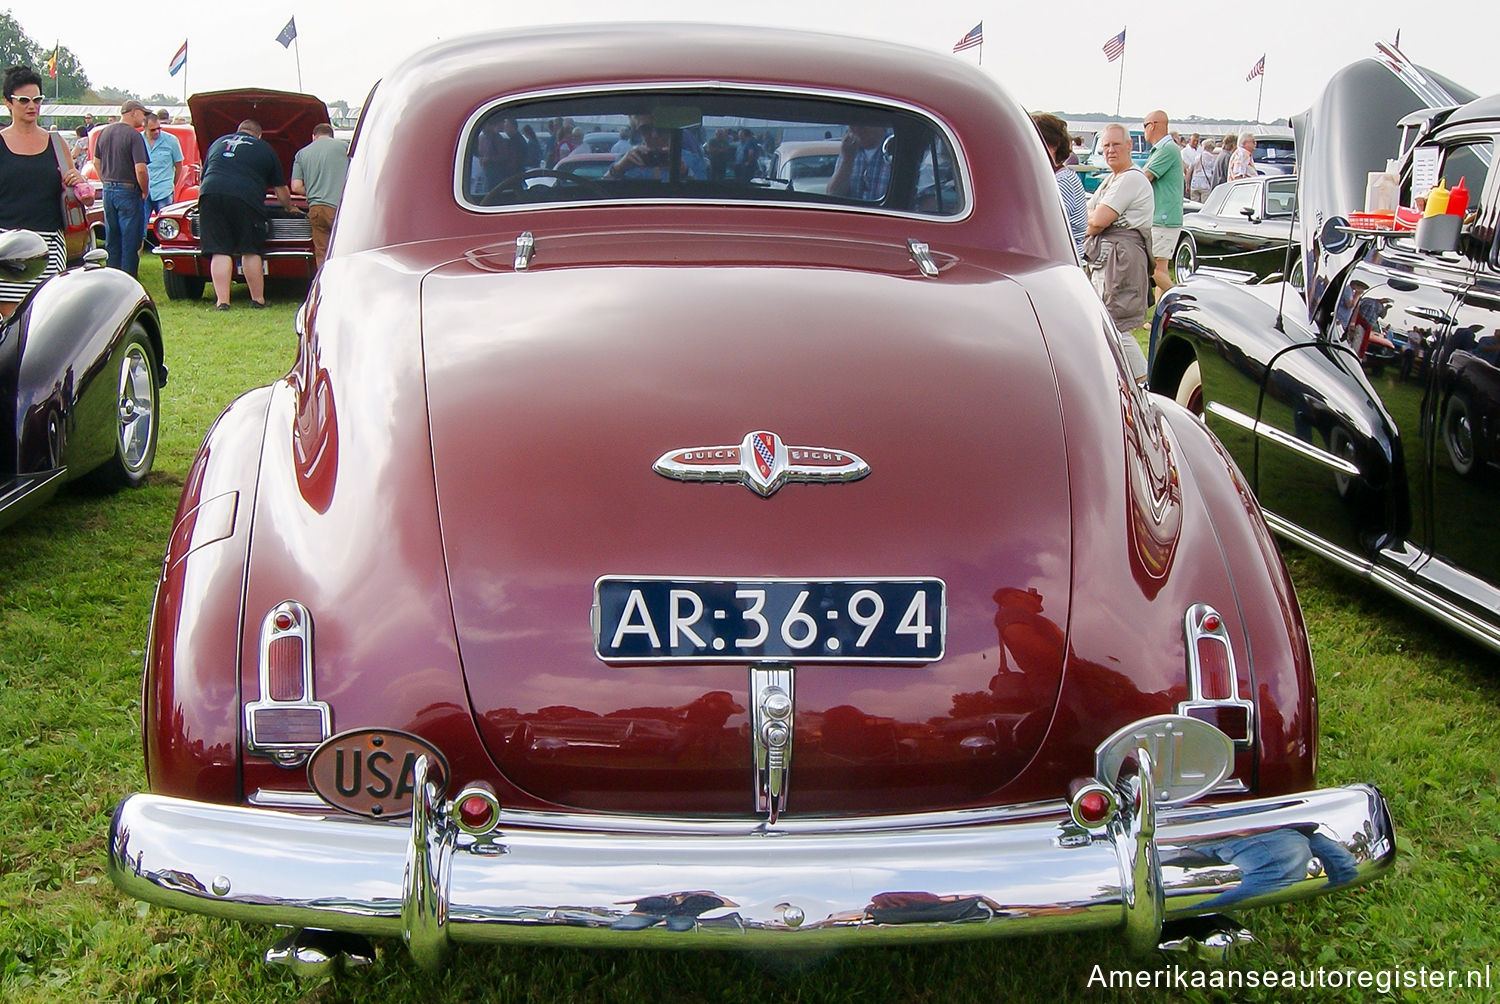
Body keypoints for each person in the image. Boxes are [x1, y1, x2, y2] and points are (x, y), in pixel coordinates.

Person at [0, 66, 94, 319]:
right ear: (8, 103)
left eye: (37, 99)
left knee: (46, 317)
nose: (32, 106)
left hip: (49, 243)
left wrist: (78, 181)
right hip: (6, 245)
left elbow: (79, 191)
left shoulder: (55, 142)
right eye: (24, 100)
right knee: (10, 321)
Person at [197, 118, 302, 309]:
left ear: (239, 130)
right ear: (258, 135)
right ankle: (257, 299)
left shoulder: (218, 143)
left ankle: (222, 302)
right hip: (245, 197)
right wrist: (289, 208)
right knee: (250, 249)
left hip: (210, 193)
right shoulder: (264, 148)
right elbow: (281, 189)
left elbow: (205, 175)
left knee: (219, 250)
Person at [1083, 123, 1153, 379]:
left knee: (1114, 326)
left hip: (1121, 263)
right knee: (1104, 322)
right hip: (1109, 260)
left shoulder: (1131, 178)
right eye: (1106, 146)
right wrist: (1092, 217)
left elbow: (1096, 221)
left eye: (1115, 144)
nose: (1110, 150)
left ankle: (1143, 385)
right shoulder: (1113, 179)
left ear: (1129, 146)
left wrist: (1094, 218)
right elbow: (1086, 215)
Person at [91, 99, 150, 275]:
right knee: (130, 241)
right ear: (133, 112)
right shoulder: (134, 136)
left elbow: (96, 162)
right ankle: (128, 281)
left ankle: (111, 277)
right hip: (129, 191)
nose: (144, 118)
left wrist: (106, 182)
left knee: (112, 239)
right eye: (143, 113)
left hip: (108, 191)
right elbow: (140, 169)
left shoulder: (104, 133)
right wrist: (144, 190)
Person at [290, 123, 350, 272]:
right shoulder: (344, 147)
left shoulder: (302, 153)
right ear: (332, 135)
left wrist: (313, 190)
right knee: (346, 249)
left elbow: (296, 186)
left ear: (313, 136)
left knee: (322, 252)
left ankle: (324, 286)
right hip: (339, 209)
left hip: (316, 209)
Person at [1031, 112, 1088, 261]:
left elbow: (1046, 225)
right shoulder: (1055, 179)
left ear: (1054, 145)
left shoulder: (1063, 181)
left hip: (1064, 262)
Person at [1141, 109, 1183, 294]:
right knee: (1161, 269)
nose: (1144, 131)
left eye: (1144, 126)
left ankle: (1182, 303)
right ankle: (1160, 320)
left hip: (1163, 218)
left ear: (1153, 125)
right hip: (1163, 216)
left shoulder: (1167, 149)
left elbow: (1144, 178)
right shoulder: (1164, 149)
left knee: (1154, 270)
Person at [603, 113, 707, 181]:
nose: (654, 135)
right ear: (638, 130)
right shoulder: (627, 159)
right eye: (646, 129)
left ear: (671, 130)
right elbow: (601, 191)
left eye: (661, 129)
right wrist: (619, 168)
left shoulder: (692, 160)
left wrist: (685, 171)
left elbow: (705, 194)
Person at [826, 124, 889, 201]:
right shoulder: (849, 150)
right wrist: (847, 160)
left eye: (862, 125)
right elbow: (833, 194)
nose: (856, 129)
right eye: (852, 125)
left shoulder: (894, 148)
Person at [143, 112, 184, 217]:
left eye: (159, 128)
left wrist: (172, 185)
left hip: (164, 191)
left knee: (166, 227)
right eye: (153, 130)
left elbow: (179, 165)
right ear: (145, 127)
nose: (157, 132)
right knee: (139, 229)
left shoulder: (171, 140)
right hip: (143, 191)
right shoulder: (138, 140)